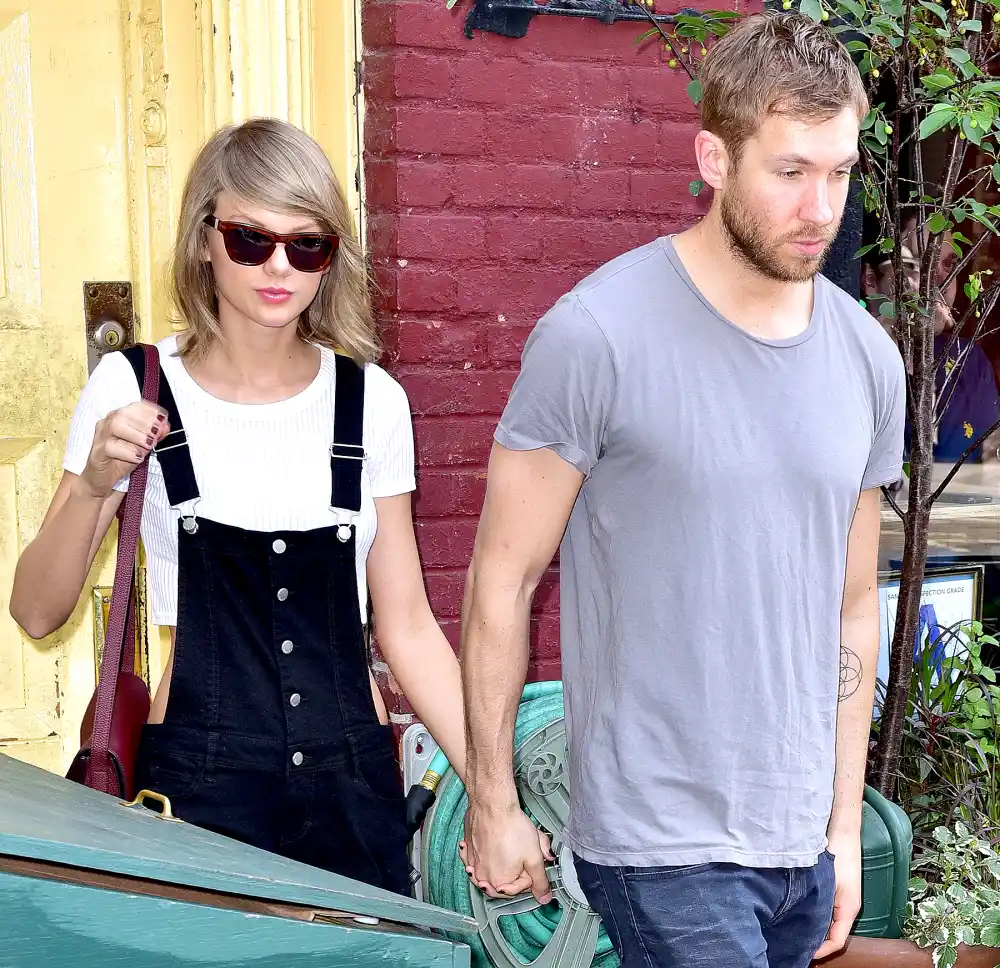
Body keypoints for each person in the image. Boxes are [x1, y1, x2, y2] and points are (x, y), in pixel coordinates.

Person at [460, 12, 904, 968]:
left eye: (839, 173)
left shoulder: (868, 357)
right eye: (790, 171)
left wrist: (840, 826)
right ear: (714, 159)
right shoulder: (596, 336)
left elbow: (854, 605)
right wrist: (493, 803)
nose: (820, 208)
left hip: (797, 840)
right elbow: (502, 576)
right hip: (660, 840)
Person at [10, 118, 465, 894]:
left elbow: (409, 626)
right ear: (203, 238)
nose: (279, 266)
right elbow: (35, 611)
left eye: (307, 245)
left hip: (353, 791)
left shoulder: (372, 402)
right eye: (251, 239)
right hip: (195, 790)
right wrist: (90, 486)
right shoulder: (134, 386)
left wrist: (495, 793)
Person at [862, 215, 1000, 463]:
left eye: (948, 264)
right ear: (871, 280)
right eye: (918, 263)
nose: (939, 281)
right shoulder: (847, 360)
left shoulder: (968, 360)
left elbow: (990, 462)